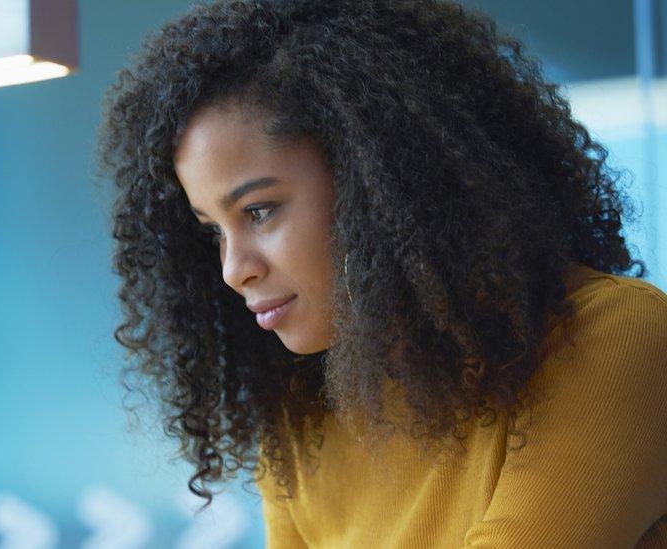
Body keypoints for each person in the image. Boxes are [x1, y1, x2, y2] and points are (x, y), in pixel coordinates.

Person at [94, 0, 667, 547]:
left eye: (258, 212)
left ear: (377, 183)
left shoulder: (613, 338)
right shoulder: (301, 408)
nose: (233, 270)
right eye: (213, 230)